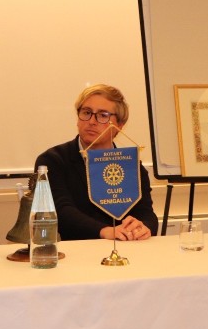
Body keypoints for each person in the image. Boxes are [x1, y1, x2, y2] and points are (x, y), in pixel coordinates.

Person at [34, 84, 158, 241]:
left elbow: (146, 213)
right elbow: (61, 212)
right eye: (86, 113)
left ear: (119, 126)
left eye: (103, 115)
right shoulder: (52, 161)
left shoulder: (131, 165)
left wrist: (144, 227)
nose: (92, 121)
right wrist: (105, 231)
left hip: (128, 247)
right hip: (79, 249)